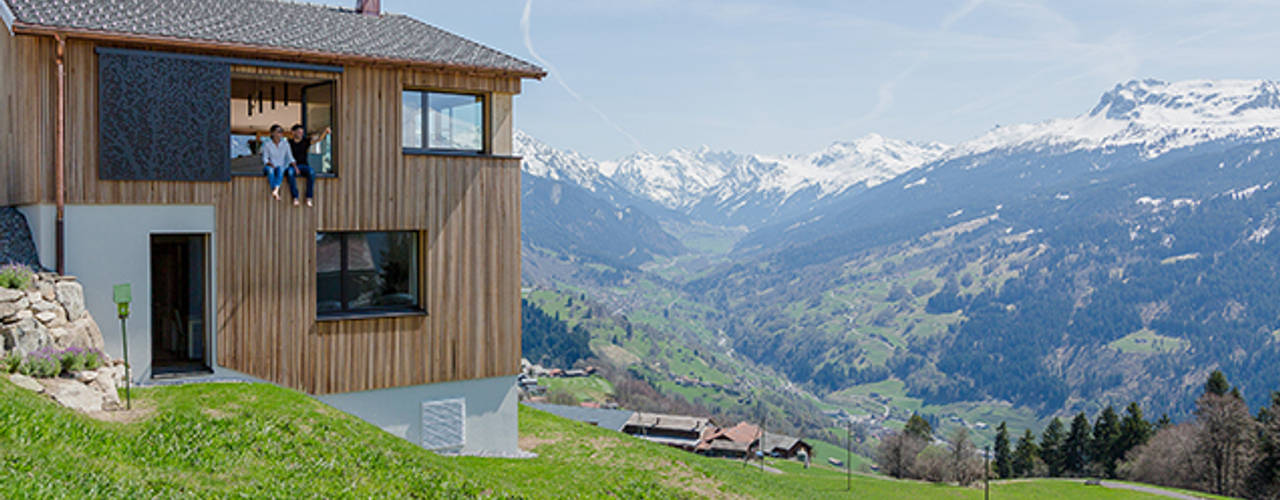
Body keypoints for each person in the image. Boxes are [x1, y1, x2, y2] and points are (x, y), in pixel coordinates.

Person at [286, 124, 331, 207]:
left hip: (304, 165)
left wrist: (325, 132)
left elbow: (318, 140)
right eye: (299, 132)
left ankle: (309, 197)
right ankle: (295, 197)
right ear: (293, 132)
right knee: (290, 173)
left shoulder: (305, 141)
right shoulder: (289, 143)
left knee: (311, 172)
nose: (301, 134)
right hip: (293, 165)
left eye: (302, 132)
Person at [261, 124, 295, 200]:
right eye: (279, 132)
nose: (281, 134)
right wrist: (270, 164)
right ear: (273, 133)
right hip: (270, 166)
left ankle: (275, 190)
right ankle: (275, 190)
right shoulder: (267, 144)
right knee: (270, 171)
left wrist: (295, 167)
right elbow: (265, 158)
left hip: (281, 166)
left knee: (280, 169)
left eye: (281, 132)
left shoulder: (285, 144)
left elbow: (290, 157)